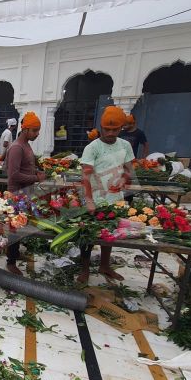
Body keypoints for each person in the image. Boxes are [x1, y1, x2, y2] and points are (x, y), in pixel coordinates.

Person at [78, 106, 135, 284]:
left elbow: (129, 169)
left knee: (109, 233)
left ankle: (105, 265)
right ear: (101, 127)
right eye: (107, 129)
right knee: (87, 234)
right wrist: (88, 200)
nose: (110, 133)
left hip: (115, 198)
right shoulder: (92, 147)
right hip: (94, 197)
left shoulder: (125, 145)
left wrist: (124, 179)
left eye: (115, 129)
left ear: (121, 128)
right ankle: (85, 269)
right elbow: (85, 176)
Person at [3, 112, 46, 275]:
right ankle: (10, 262)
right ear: (25, 129)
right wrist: (36, 177)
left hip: (25, 193)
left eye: (38, 130)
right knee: (14, 227)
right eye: (34, 130)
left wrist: (36, 171)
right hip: (16, 194)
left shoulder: (26, 144)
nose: (37, 134)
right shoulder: (16, 147)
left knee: (21, 225)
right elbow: (13, 175)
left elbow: (25, 167)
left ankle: (14, 253)